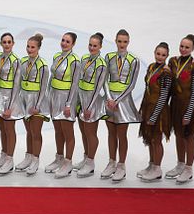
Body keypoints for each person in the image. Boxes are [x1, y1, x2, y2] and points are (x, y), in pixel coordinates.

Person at [102, 28, 140, 182]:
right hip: (109, 99)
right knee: (111, 133)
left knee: (121, 134)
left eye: (124, 42)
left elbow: (131, 84)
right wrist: (110, 98)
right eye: (119, 41)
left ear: (128, 42)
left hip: (123, 101)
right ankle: (111, 162)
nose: (122, 44)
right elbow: (104, 79)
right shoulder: (109, 57)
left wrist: (117, 100)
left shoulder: (133, 60)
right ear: (115, 41)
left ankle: (121, 165)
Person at [165, 34, 194, 184]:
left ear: (193, 48)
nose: (183, 49)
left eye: (187, 47)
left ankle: (188, 168)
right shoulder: (173, 61)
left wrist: (188, 113)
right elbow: (168, 86)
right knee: (178, 134)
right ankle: (180, 164)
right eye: (182, 46)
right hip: (175, 104)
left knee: (188, 136)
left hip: (189, 105)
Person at [46, 32, 81, 179]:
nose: (64, 43)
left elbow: (74, 84)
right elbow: (51, 77)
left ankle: (68, 162)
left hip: (67, 98)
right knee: (58, 130)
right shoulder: (56, 56)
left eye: (67, 41)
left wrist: (68, 104)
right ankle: (59, 157)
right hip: (55, 96)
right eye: (63, 40)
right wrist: (48, 95)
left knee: (67, 131)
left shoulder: (75, 61)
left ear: (73, 44)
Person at [14, 33, 49, 176]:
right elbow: (18, 83)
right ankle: (28, 156)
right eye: (28, 46)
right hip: (24, 99)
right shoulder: (23, 62)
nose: (29, 49)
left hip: (37, 101)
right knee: (28, 131)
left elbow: (43, 87)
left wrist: (38, 105)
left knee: (35, 132)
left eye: (32, 47)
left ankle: (36, 159)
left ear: (38, 48)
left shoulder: (43, 66)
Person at [137, 42, 172, 182]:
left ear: (167, 56)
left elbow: (164, 96)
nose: (160, 57)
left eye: (163, 55)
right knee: (150, 138)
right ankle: (151, 165)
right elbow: (147, 89)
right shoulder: (151, 67)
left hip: (159, 109)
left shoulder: (166, 73)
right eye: (158, 54)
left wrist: (155, 115)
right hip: (148, 106)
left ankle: (157, 169)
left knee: (156, 140)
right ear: (154, 53)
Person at [75, 32, 108, 177]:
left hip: (91, 100)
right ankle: (85, 157)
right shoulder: (84, 58)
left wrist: (89, 106)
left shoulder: (101, 64)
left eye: (95, 45)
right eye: (90, 45)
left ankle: (91, 163)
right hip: (81, 98)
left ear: (100, 46)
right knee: (83, 131)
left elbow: (98, 87)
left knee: (90, 132)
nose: (92, 48)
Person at [0, 32, 22, 175]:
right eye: (4, 42)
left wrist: (10, 106)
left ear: (13, 44)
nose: (7, 44)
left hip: (10, 96)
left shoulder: (16, 60)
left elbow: (17, 85)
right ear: (1, 44)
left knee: (9, 129)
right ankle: (4, 155)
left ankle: (10, 159)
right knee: (2, 128)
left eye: (9, 42)